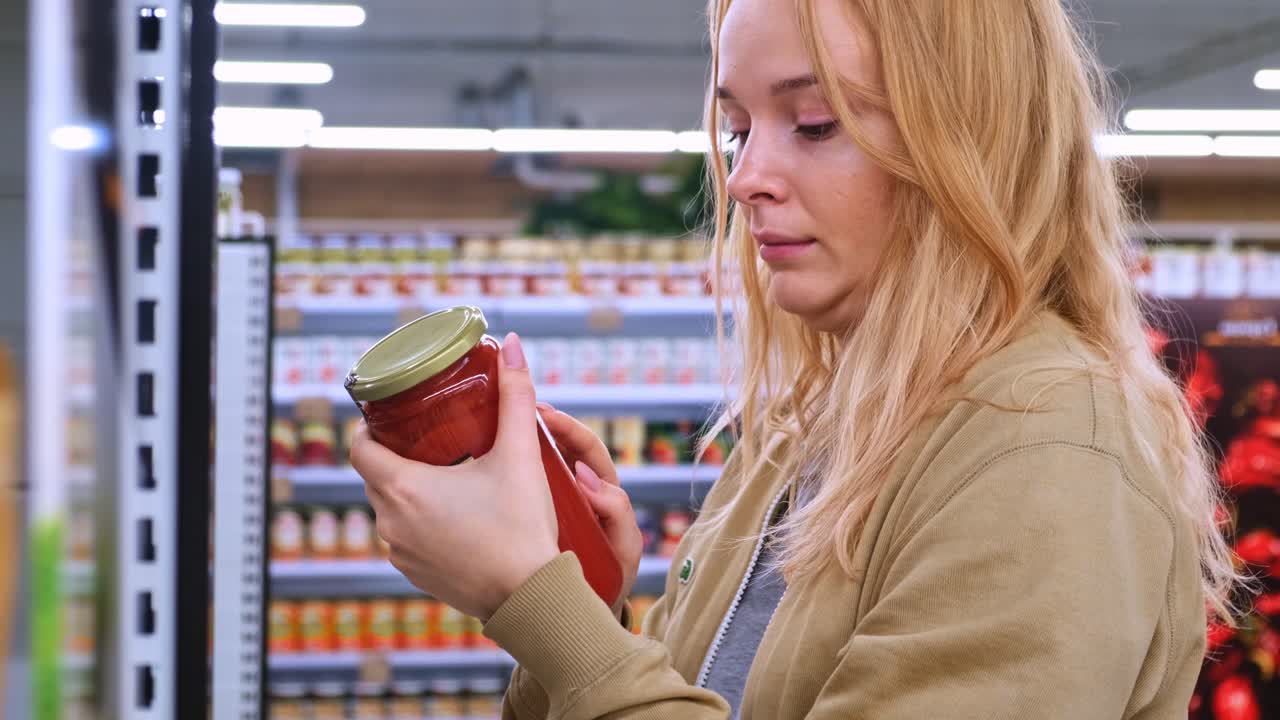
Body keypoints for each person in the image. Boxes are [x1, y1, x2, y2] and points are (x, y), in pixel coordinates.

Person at [351, 0, 1244, 717]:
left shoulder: (1045, 455)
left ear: (970, 143)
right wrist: (575, 597)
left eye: (813, 124)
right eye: (738, 129)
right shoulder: (816, 421)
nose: (743, 178)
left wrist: (539, 604)